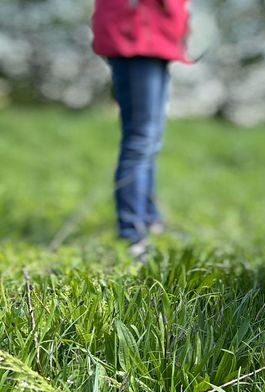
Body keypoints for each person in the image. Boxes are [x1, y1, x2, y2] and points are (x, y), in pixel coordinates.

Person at [91, 0, 191, 258]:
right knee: (140, 141)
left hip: (156, 38)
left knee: (151, 140)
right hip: (135, 35)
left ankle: (149, 220)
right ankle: (131, 233)